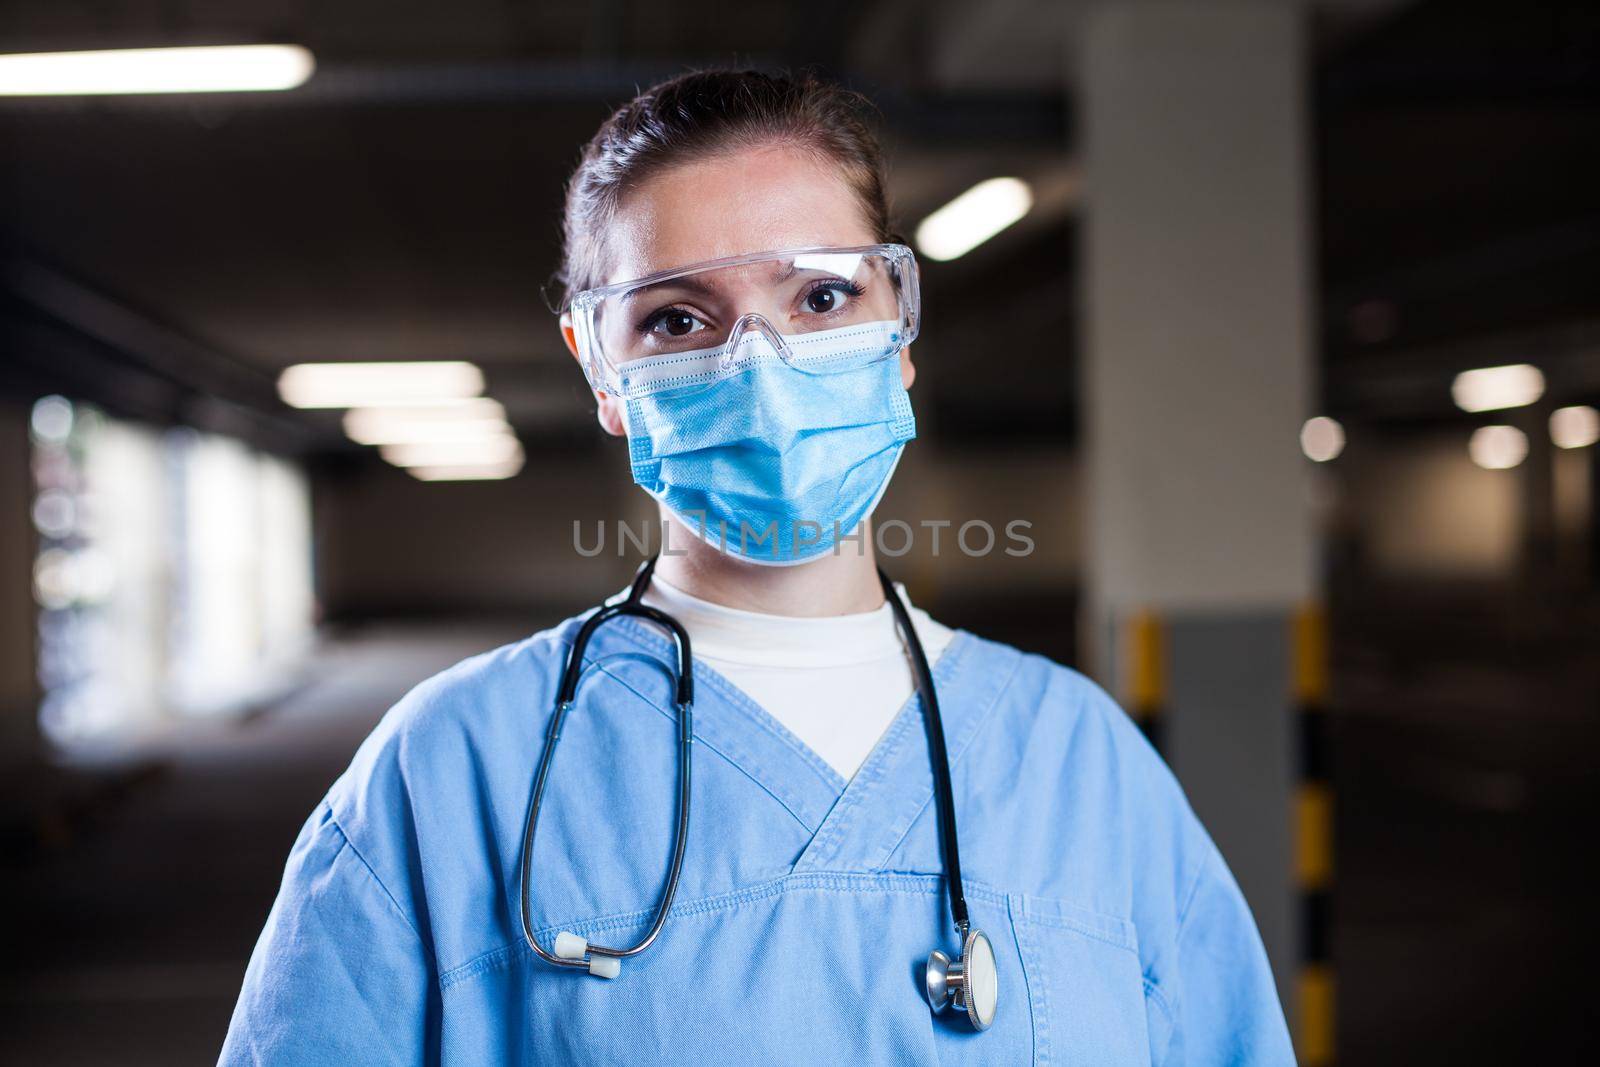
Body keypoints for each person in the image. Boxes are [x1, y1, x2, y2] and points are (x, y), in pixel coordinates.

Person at [220, 69, 1293, 1065]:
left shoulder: (1081, 764)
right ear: (601, 371)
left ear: (900, 329)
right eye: (679, 319)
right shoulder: (451, 775)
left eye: (822, 299)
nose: (761, 371)